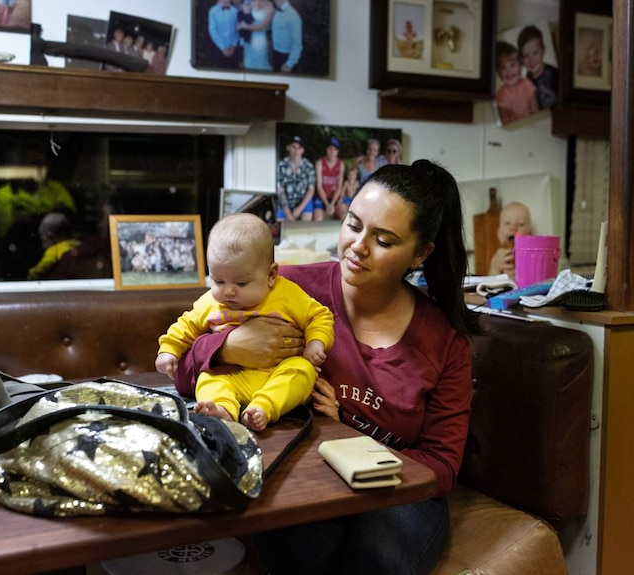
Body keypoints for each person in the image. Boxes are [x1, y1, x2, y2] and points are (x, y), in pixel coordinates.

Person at [174, 160, 480, 574]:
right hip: (306, 478)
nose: (358, 246)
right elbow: (182, 373)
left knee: (379, 555)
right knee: (295, 543)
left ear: (420, 254)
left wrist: (351, 429)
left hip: (399, 492)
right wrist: (228, 348)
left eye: (384, 240)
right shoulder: (282, 290)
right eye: (353, 225)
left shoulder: (443, 343)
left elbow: (442, 468)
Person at [156, 213, 334, 432]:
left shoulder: (287, 293)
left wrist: (317, 341)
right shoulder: (210, 302)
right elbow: (186, 326)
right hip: (232, 375)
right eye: (218, 281)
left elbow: (319, 315)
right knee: (208, 377)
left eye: (241, 282)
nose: (228, 291)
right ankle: (223, 409)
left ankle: (263, 408)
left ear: (270, 275)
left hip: (275, 375)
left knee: (302, 370)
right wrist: (168, 351)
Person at [27, 211, 81, 280]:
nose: (42, 243)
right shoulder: (78, 246)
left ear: (51, 237)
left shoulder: (54, 250)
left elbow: (41, 270)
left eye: (43, 239)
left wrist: (31, 275)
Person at [495, 41, 539, 126]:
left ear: (520, 66)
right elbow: (505, 122)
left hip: (532, 125)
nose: (509, 71)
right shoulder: (500, 95)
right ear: (498, 72)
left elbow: (536, 113)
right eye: (503, 67)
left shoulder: (527, 84)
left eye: (512, 65)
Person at [517, 25, 559, 110]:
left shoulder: (555, 74)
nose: (531, 60)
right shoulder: (527, 79)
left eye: (535, 53)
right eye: (526, 56)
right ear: (522, 59)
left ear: (543, 51)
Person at [276, 135, 315, 222]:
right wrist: (288, 213)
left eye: (299, 148)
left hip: (303, 201)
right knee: (280, 226)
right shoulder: (281, 165)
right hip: (286, 202)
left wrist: (299, 209)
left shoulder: (308, 166)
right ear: (288, 148)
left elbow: (311, 190)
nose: (296, 151)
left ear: (302, 150)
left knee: (305, 223)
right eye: (293, 147)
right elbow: (280, 190)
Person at [488, 201, 531, 278]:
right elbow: (488, 283)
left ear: (529, 235)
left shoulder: (531, 258)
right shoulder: (497, 259)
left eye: (521, 224)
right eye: (507, 223)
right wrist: (494, 270)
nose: (513, 228)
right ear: (499, 234)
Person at [313, 136, 345, 221]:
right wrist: (327, 204)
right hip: (322, 196)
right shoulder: (320, 163)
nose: (332, 152)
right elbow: (319, 186)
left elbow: (339, 187)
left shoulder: (340, 164)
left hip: (335, 197)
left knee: (344, 216)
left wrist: (332, 203)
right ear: (326, 149)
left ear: (337, 151)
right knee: (318, 218)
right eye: (330, 149)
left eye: (335, 150)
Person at [238, 0, 273, 71]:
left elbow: (263, 27)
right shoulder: (252, 2)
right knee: (249, 61)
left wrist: (244, 26)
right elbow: (244, 14)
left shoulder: (269, 5)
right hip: (249, 37)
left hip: (260, 38)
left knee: (260, 60)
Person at [271, 0, 303, 73]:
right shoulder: (276, 11)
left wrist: (289, 64)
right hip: (276, 53)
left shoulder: (293, 16)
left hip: (286, 57)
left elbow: (297, 43)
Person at [208, 0, 241, 68]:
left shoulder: (234, 10)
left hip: (233, 49)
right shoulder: (213, 11)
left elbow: (237, 29)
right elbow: (213, 30)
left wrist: (233, 45)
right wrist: (223, 47)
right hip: (218, 47)